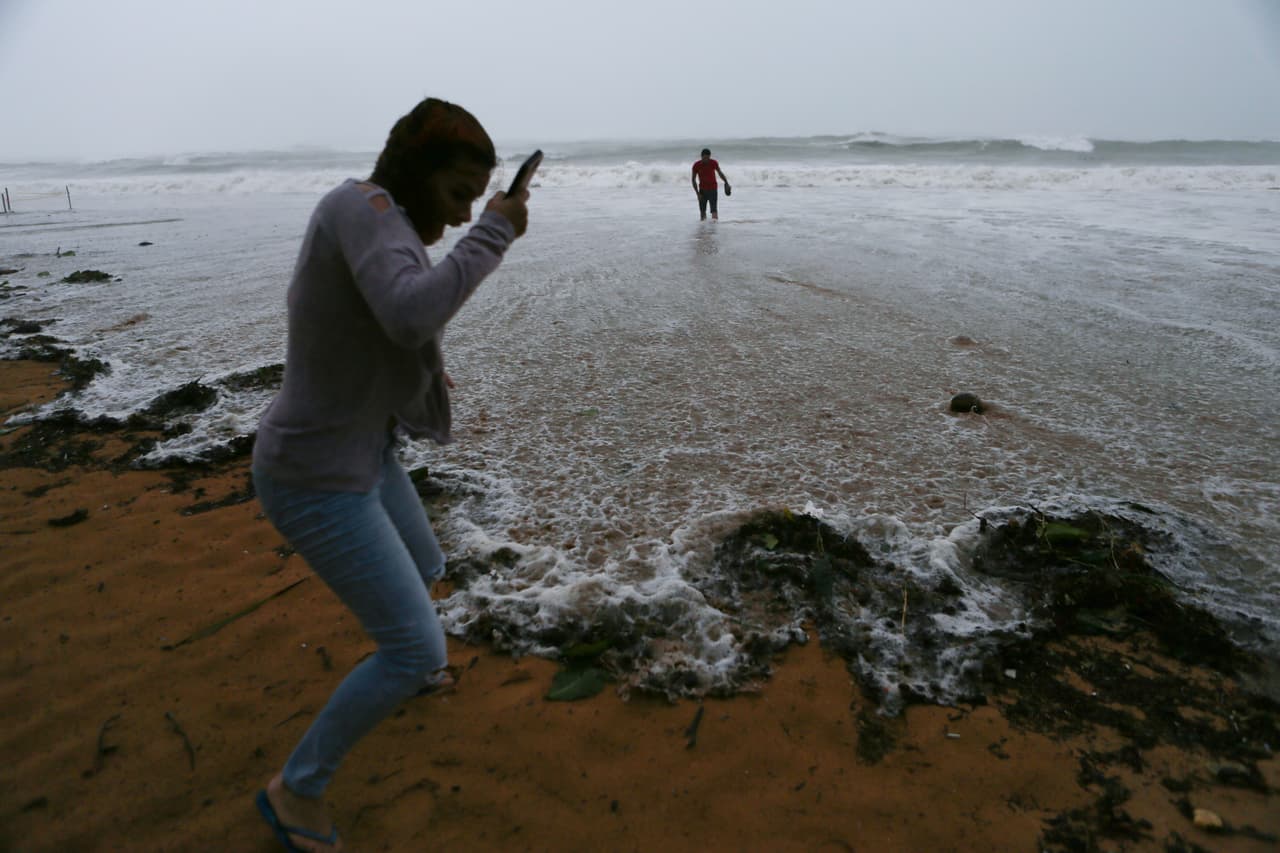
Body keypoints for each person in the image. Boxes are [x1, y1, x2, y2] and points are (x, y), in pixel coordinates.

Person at [250, 96, 529, 852]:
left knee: (429, 560)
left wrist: (479, 225)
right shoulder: (362, 206)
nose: (466, 208)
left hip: (365, 455)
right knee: (415, 646)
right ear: (414, 168)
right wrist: (494, 230)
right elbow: (409, 315)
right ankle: (294, 791)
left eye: (478, 196)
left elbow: (400, 319)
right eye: (458, 192)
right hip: (312, 475)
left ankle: (413, 669)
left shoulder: (389, 223)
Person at [691, 147, 730, 220]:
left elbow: (720, 173)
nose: (706, 160)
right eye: (705, 158)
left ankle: (714, 229)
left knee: (714, 210)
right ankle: (703, 229)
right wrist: (697, 193)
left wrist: (726, 182)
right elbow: (693, 180)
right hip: (702, 190)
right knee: (702, 212)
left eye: (708, 158)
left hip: (713, 189)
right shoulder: (696, 165)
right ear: (701, 156)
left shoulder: (713, 162)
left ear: (710, 157)